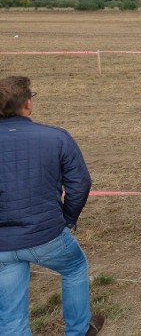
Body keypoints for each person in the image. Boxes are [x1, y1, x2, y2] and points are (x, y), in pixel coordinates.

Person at [0, 76, 105, 336]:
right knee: (75, 267)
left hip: (4, 243)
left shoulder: (56, 137)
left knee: (11, 317)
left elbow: (80, 183)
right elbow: (80, 184)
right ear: (27, 105)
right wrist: (67, 219)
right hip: (46, 234)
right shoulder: (56, 137)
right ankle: (79, 331)